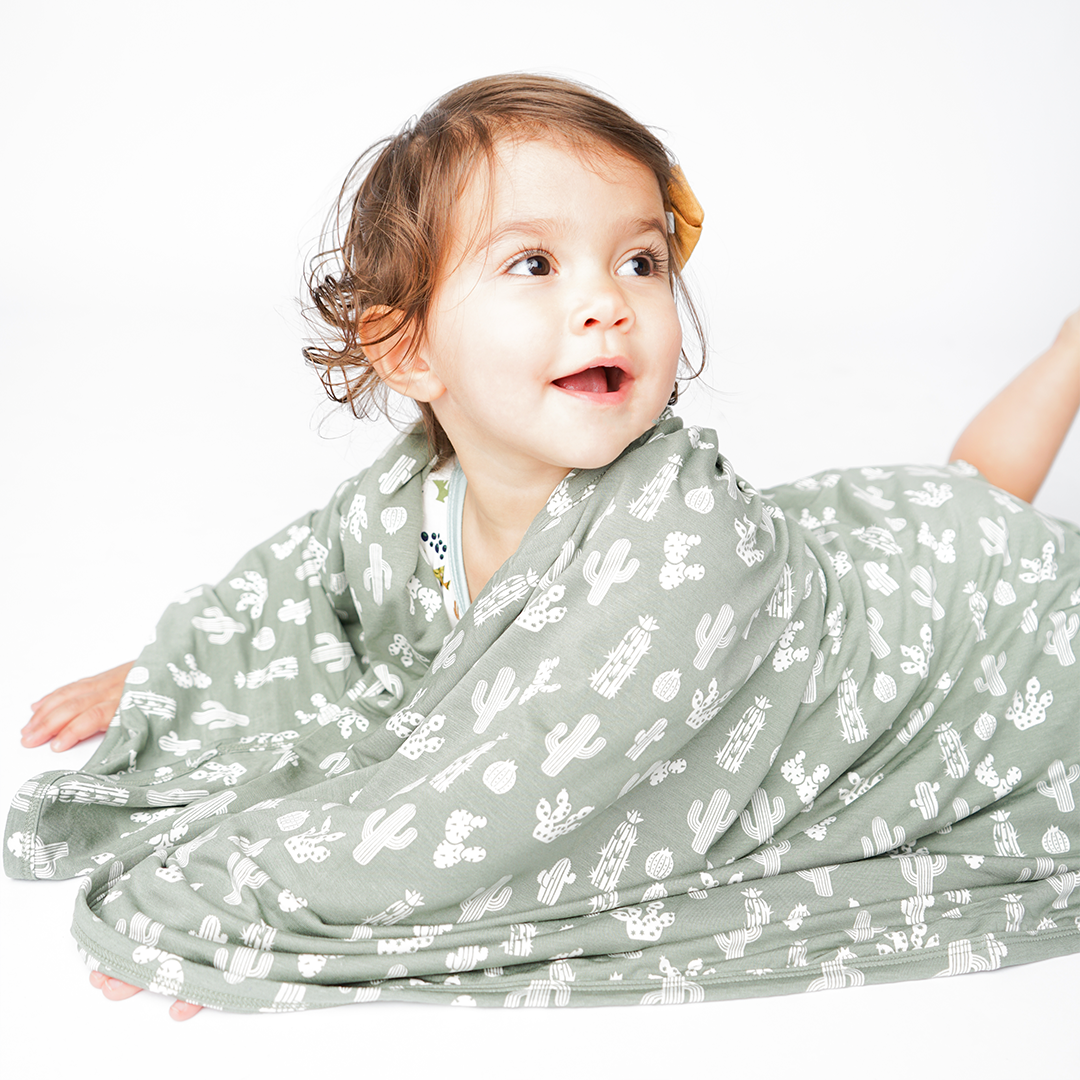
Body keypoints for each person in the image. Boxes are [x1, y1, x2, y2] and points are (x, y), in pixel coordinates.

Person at [9, 75, 1079, 1019]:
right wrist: (178, 665)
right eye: (535, 262)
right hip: (891, 532)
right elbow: (304, 579)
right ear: (408, 347)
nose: (607, 303)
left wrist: (248, 899)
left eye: (640, 261)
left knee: (982, 516)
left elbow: (501, 806)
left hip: (979, 625)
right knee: (965, 490)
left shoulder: (680, 548)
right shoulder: (417, 497)